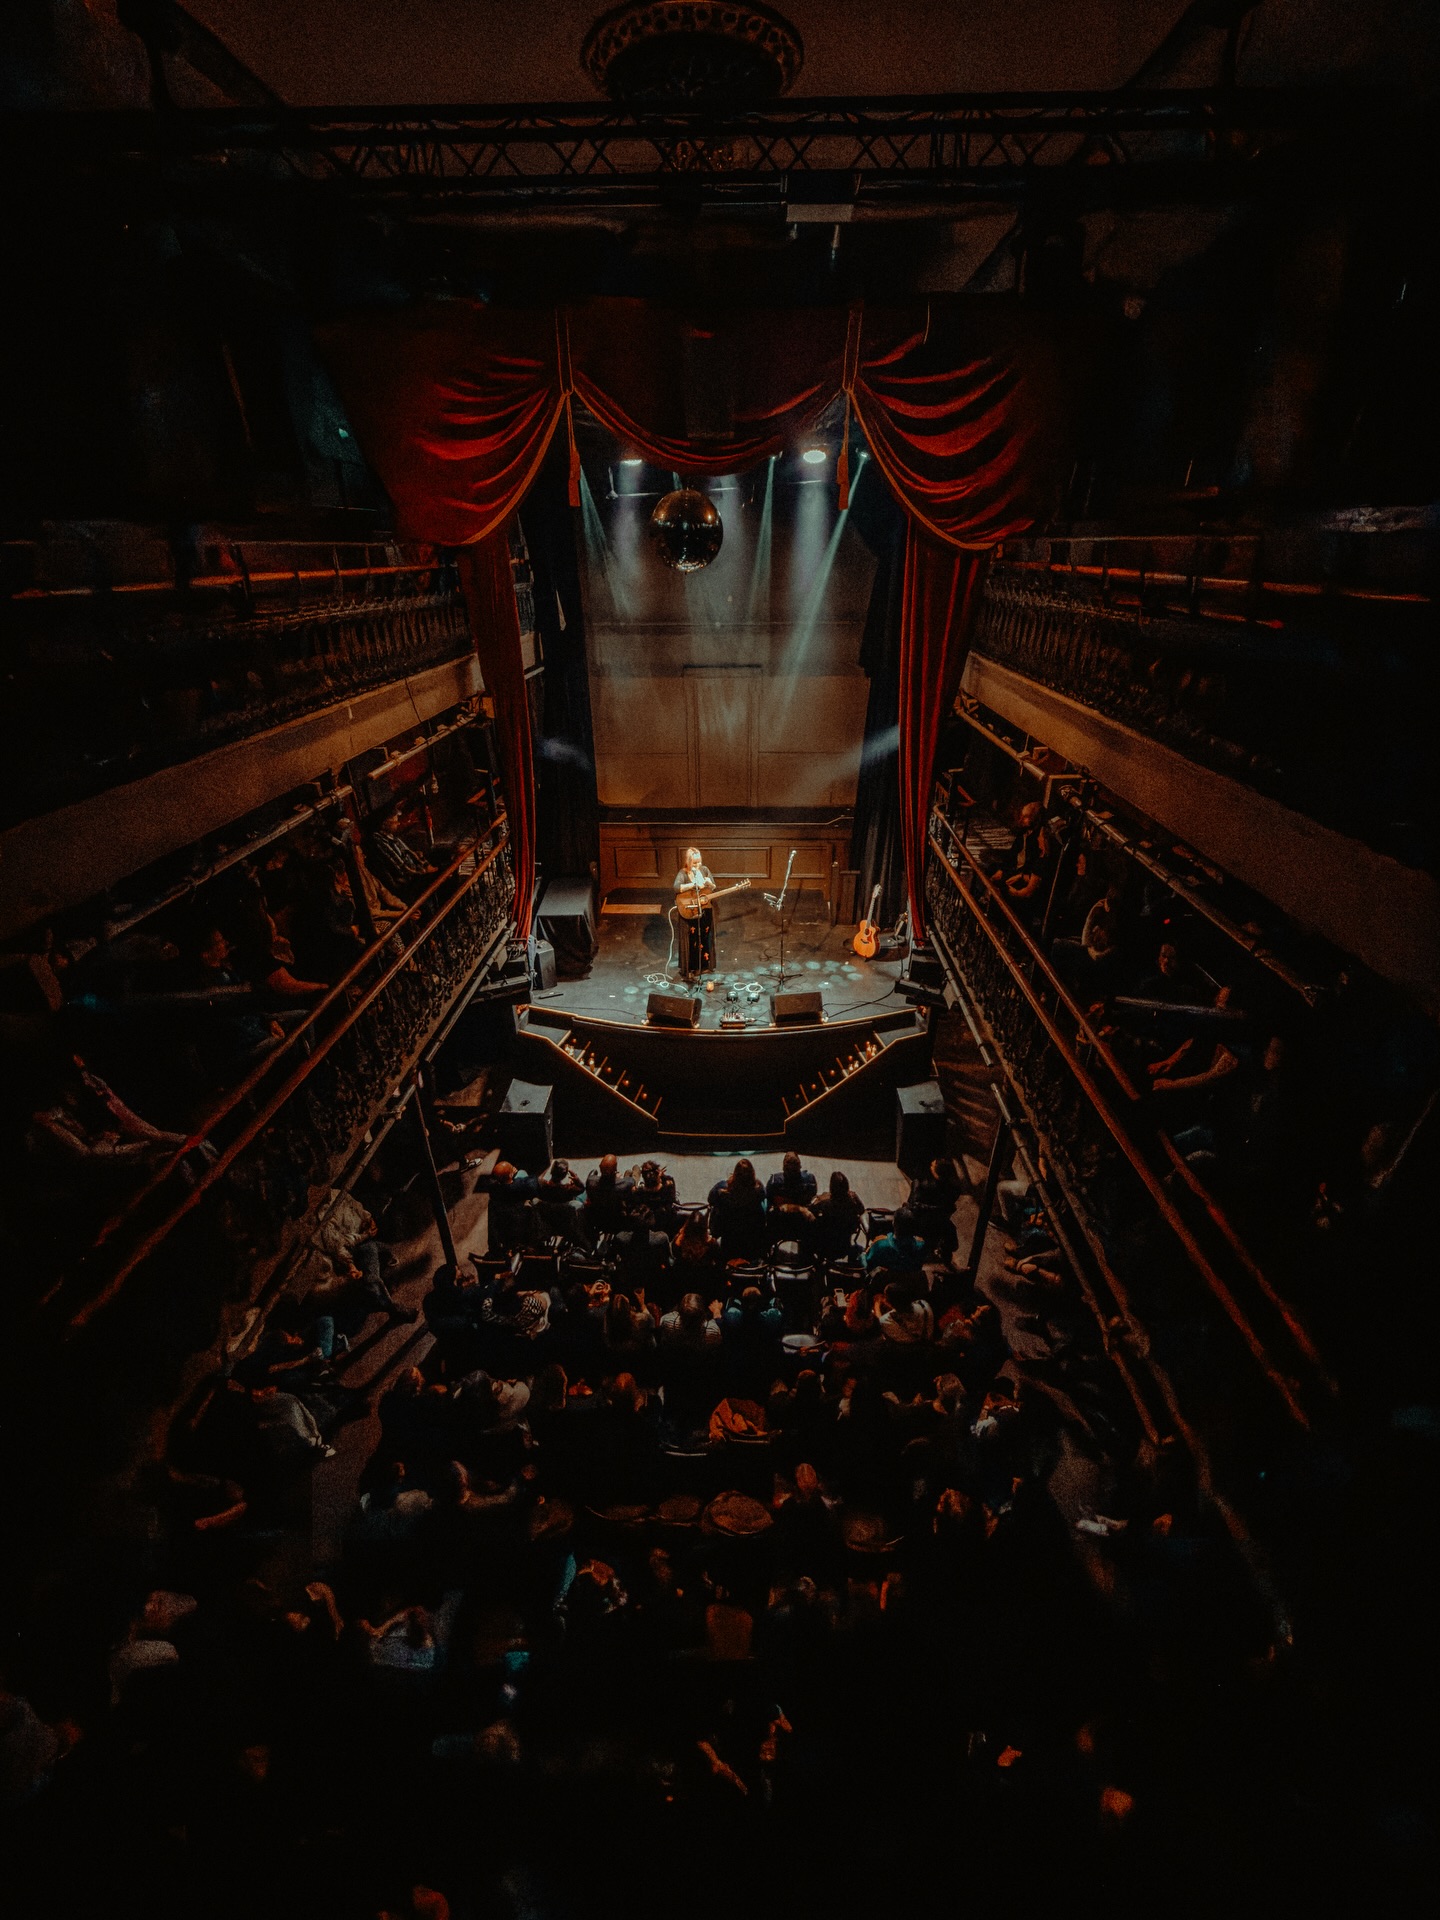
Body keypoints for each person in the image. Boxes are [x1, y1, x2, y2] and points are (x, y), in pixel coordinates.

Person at [708, 1158, 768, 1264]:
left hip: (729, 1241)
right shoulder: (759, 1189)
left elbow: (711, 1199)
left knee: (715, 1208)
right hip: (752, 1241)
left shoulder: (722, 1189)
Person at [673, 845, 717, 981]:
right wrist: (692, 885)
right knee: (691, 940)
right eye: (695, 863)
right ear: (688, 862)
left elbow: (713, 887)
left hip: (704, 909)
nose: (698, 865)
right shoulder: (683, 873)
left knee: (704, 937)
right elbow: (676, 887)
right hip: (690, 912)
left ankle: (703, 966)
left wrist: (710, 884)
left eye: (699, 862)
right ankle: (690, 968)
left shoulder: (704, 870)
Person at [812, 1169, 865, 1263]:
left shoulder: (825, 1204)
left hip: (825, 1247)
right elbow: (861, 1209)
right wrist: (855, 1197)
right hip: (844, 1246)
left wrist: (819, 1199)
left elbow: (811, 1210)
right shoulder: (852, 1203)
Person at [584, 1154, 635, 1241]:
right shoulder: (626, 1184)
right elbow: (632, 1182)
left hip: (598, 1219)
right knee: (632, 1173)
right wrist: (618, 1179)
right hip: (618, 1220)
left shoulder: (591, 1181)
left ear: (600, 1167)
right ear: (615, 1169)